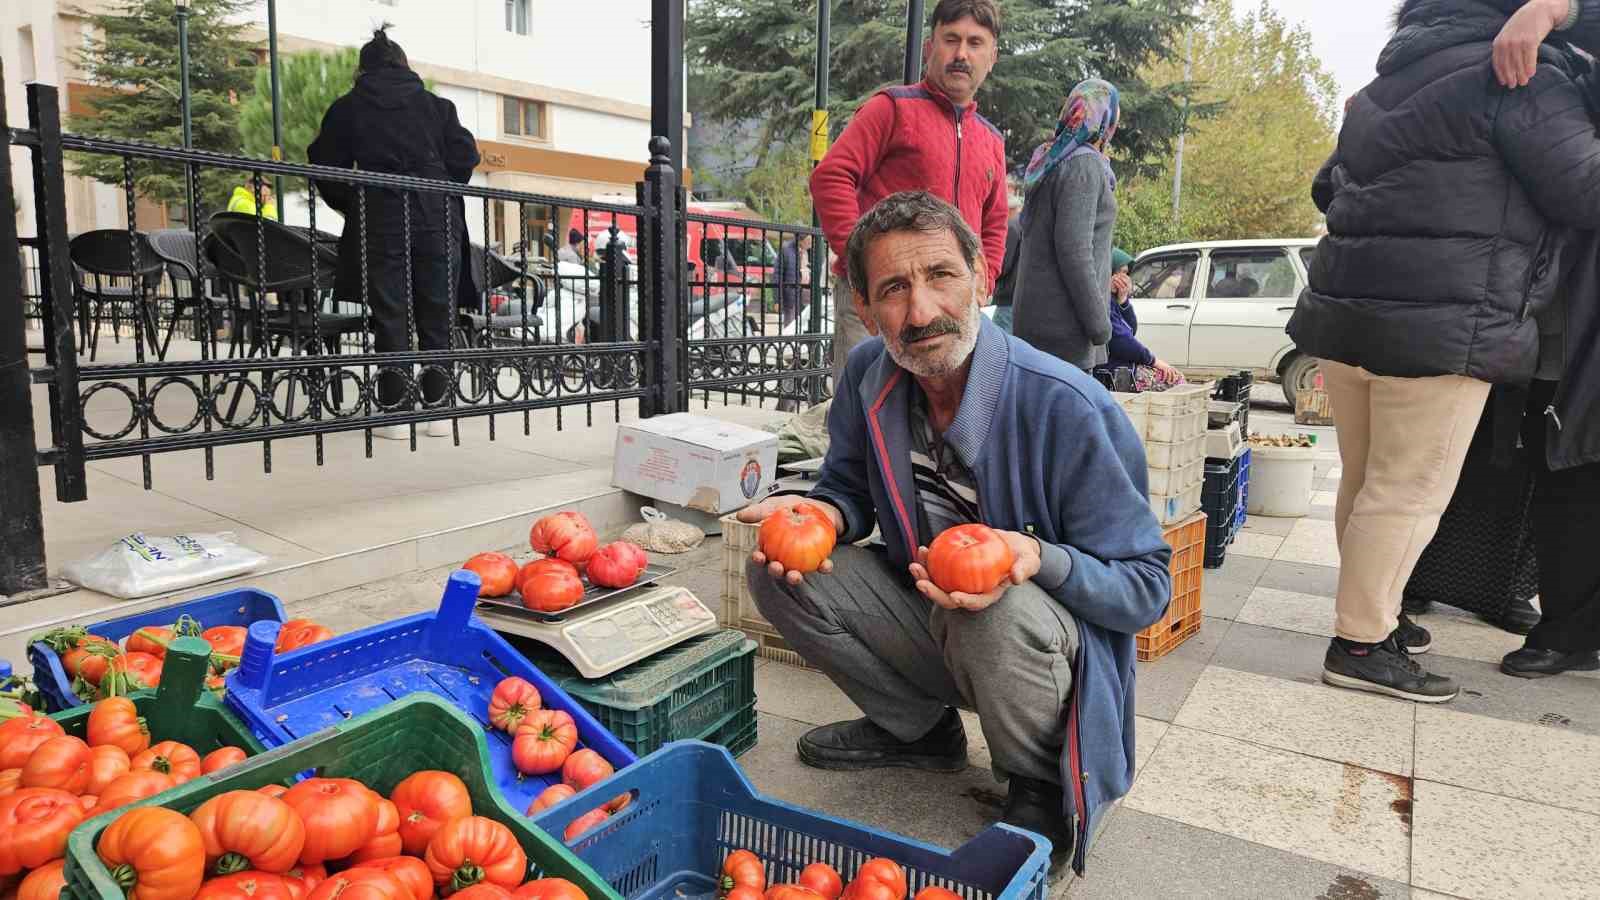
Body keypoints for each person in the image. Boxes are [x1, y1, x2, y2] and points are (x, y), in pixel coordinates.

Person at [737, 192, 1172, 875]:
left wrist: (1038, 557)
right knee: (776, 568)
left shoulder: (1066, 407)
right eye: (893, 289)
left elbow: (1149, 588)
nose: (921, 312)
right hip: (932, 611)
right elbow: (849, 490)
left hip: (1037, 644)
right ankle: (918, 729)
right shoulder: (869, 376)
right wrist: (823, 515)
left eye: (941, 275)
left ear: (982, 278)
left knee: (992, 606)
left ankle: (1039, 782)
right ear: (862, 308)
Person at [1286, 0, 1600, 701]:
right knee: (1407, 492)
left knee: (1367, 482)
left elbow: (1327, 185)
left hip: (1348, 315)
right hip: (1448, 319)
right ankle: (1361, 643)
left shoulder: (1382, 86)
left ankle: (1375, 617)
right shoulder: (1520, 74)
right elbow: (1586, 190)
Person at [810, 0, 1008, 378]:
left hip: (951, 304)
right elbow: (831, 176)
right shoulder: (892, 109)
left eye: (975, 43)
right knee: (867, 407)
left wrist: (984, 281)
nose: (962, 54)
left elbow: (994, 223)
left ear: (992, 57)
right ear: (930, 48)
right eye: (951, 40)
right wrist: (863, 266)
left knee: (945, 413)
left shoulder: (991, 140)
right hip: (883, 296)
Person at [308, 25, 479, 441]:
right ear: (405, 66)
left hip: (379, 213)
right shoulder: (437, 107)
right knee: (438, 311)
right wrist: (440, 186)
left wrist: (353, 202)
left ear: (361, 70)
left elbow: (323, 163)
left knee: (391, 314)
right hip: (434, 213)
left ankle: (396, 412)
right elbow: (465, 155)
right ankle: (438, 410)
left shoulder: (348, 108)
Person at [1011, 79, 1120, 372]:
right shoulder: (1085, 165)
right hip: (1066, 332)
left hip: (1036, 322)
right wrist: (1100, 326)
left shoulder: (1050, 158)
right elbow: (1074, 249)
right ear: (1106, 118)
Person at [1100, 248, 1182, 391]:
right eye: (1120, 273)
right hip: (1111, 370)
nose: (1124, 279)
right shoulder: (1101, 301)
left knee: (1176, 378)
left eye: (1126, 274)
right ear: (1107, 272)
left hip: (1125, 366)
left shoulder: (1112, 300)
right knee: (1174, 382)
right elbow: (1121, 340)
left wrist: (1123, 300)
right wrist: (1154, 361)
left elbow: (1131, 329)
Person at [989, 193, 1022, 333]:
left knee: (998, 344)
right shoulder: (1022, 225)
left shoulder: (1011, 227)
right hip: (1017, 295)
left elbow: (1003, 265)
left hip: (1007, 297)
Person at [775, 233, 813, 328]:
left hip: (807, 296)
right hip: (792, 296)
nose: (811, 243)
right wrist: (777, 300)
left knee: (804, 326)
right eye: (808, 241)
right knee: (791, 326)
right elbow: (777, 276)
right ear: (800, 240)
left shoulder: (808, 252)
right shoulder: (786, 250)